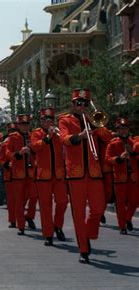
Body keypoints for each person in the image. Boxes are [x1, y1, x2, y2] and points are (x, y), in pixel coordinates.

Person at [58, 88, 111, 263]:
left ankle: (88, 234)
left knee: (98, 208)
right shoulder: (65, 120)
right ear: (73, 104)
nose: (82, 106)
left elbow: (107, 137)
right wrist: (80, 136)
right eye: (78, 103)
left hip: (94, 172)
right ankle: (83, 249)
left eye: (85, 103)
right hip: (76, 173)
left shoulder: (93, 120)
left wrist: (95, 124)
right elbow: (65, 139)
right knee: (78, 212)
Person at [30, 108, 67, 246]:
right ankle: (48, 234)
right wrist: (47, 138)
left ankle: (57, 225)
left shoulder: (59, 134)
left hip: (58, 175)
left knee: (62, 202)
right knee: (45, 206)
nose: (48, 122)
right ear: (41, 121)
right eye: (46, 120)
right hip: (43, 176)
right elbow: (35, 147)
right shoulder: (36, 133)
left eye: (51, 120)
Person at [105, 118, 137, 234]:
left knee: (135, 200)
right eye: (121, 129)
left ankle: (128, 218)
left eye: (125, 128)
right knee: (120, 203)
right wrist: (118, 158)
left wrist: (133, 152)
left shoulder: (133, 142)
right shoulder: (113, 143)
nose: (124, 131)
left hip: (133, 177)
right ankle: (122, 226)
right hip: (120, 178)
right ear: (117, 130)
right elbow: (107, 159)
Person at [5, 114, 36, 235]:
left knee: (31, 197)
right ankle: (21, 226)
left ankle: (27, 216)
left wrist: (32, 151)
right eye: (22, 124)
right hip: (18, 174)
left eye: (27, 124)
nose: (25, 126)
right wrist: (18, 153)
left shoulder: (32, 135)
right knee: (18, 200)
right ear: (18, 125)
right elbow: (8, 153)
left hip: (31, 172)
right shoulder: (13, 137)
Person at [0, 122, 17, 228]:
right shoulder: (4, 144)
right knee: (11, 199)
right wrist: (6, 164)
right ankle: (13, 219)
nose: (12, 133)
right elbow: (0, 159)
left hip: (21, 174)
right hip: (9, 174)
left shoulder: (21, 141)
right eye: (11, 131)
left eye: (14, 131)